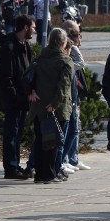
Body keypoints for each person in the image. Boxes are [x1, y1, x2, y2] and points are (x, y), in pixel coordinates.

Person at [28, 28, 74, 184]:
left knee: (40, 141)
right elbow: (64, 85)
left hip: (38, 105)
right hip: (56, 108)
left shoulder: (40, 57)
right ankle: (49, 175)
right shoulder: (65, 61)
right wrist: (54, 104)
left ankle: (39, 175)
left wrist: (31, 91)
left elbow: (28, 76)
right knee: (53, 143)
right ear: (63, 42)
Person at [0, 15, 36, 180]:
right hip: (14, 100)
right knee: (11, 135)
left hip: (23, 99)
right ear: (25, 27)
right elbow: (6, 77)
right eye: (33, 26)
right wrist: (14, 97)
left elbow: (28, 73)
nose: (34, 29)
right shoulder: (9, 47)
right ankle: (11, 169)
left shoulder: (25, 46)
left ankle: (15, 165)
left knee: (17, 135)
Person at [60, 21, 91, 173]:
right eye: (78, 35)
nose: (80, 39)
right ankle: (64, 160)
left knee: (75, 129)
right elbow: (80, 64)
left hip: (75, 95)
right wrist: (74, 48)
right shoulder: (68, 51)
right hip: (66, 98)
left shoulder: (72, 50)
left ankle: (72, 158)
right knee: (70, 130)